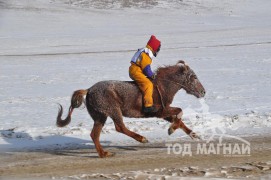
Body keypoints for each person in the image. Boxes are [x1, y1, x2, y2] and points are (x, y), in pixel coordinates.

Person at [129, 35, 161, 113]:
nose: (157, 51)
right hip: (136, 71)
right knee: (148, 84)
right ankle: (148, 106)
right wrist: (152, 75)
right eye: (157, 49)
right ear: (154, 48)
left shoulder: (144, 51)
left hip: (136, 70)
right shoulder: (146, 54)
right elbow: (146, 68)